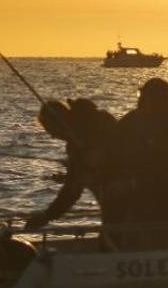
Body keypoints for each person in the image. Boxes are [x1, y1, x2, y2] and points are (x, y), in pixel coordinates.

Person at [26, 98, 125, 247]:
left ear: (58, 121)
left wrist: (47, 216)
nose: (53, 136)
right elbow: (75, 183)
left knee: (111, 244)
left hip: (125, 201)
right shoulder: (91, 127)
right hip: (115, 204)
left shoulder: (92, 130)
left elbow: (72, 190)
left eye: (51, 130)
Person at [115, 78, 168, 250]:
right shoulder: (132, 120)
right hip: (136, 202)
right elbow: (112, 143)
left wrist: (134, 183)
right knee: (130, 244)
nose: (141, 101)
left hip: (165, 203)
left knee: (153, 246)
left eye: (146, 97)